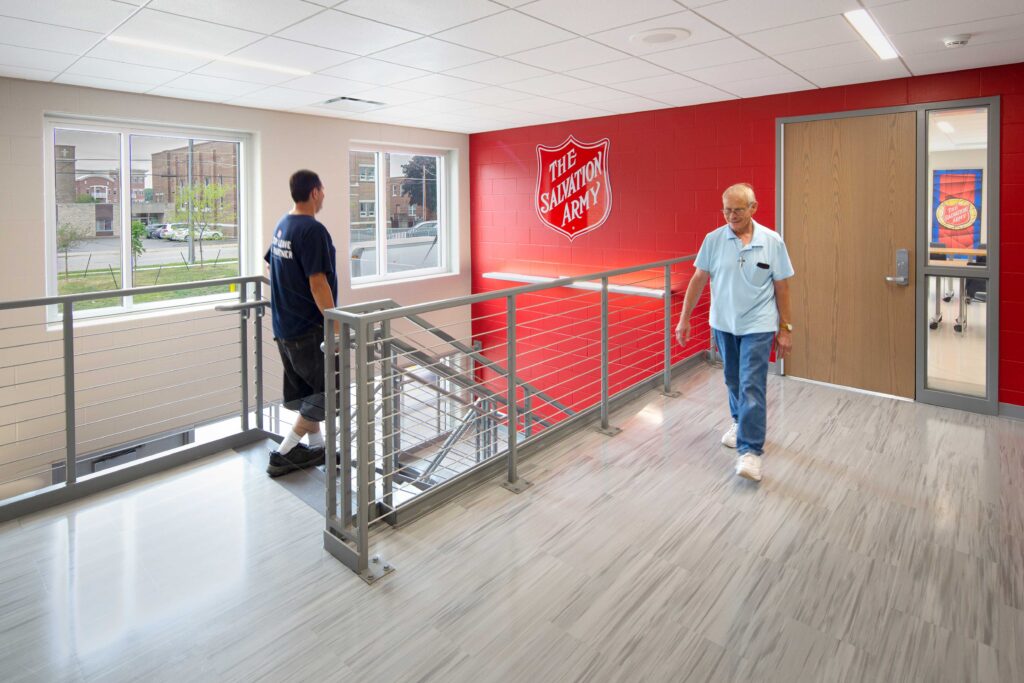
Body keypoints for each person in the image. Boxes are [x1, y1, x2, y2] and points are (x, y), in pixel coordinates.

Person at [675, 183, 794, 482]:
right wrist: (684, 318)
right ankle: (741, 422)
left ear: (753, 208)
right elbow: (698, 279)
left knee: (752, 383)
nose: (731, 216)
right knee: (732, 379)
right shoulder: (713, 240)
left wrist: (786, 329)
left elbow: (782, 287)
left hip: (759, 324)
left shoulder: (772, 241)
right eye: (726, 210)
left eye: (737, 210)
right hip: (724, 325)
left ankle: (750, 452)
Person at [264, 170, 337, 477]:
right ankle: (285, 452)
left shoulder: (284, 224)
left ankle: (318, 447)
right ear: (316, 192)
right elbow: (318, 282)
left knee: (312, 390)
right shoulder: (312, 230)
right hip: (309, 330)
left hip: (285, 326)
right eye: (323, 190)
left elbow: (271, 266)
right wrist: (334, 323)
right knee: (327, 392)